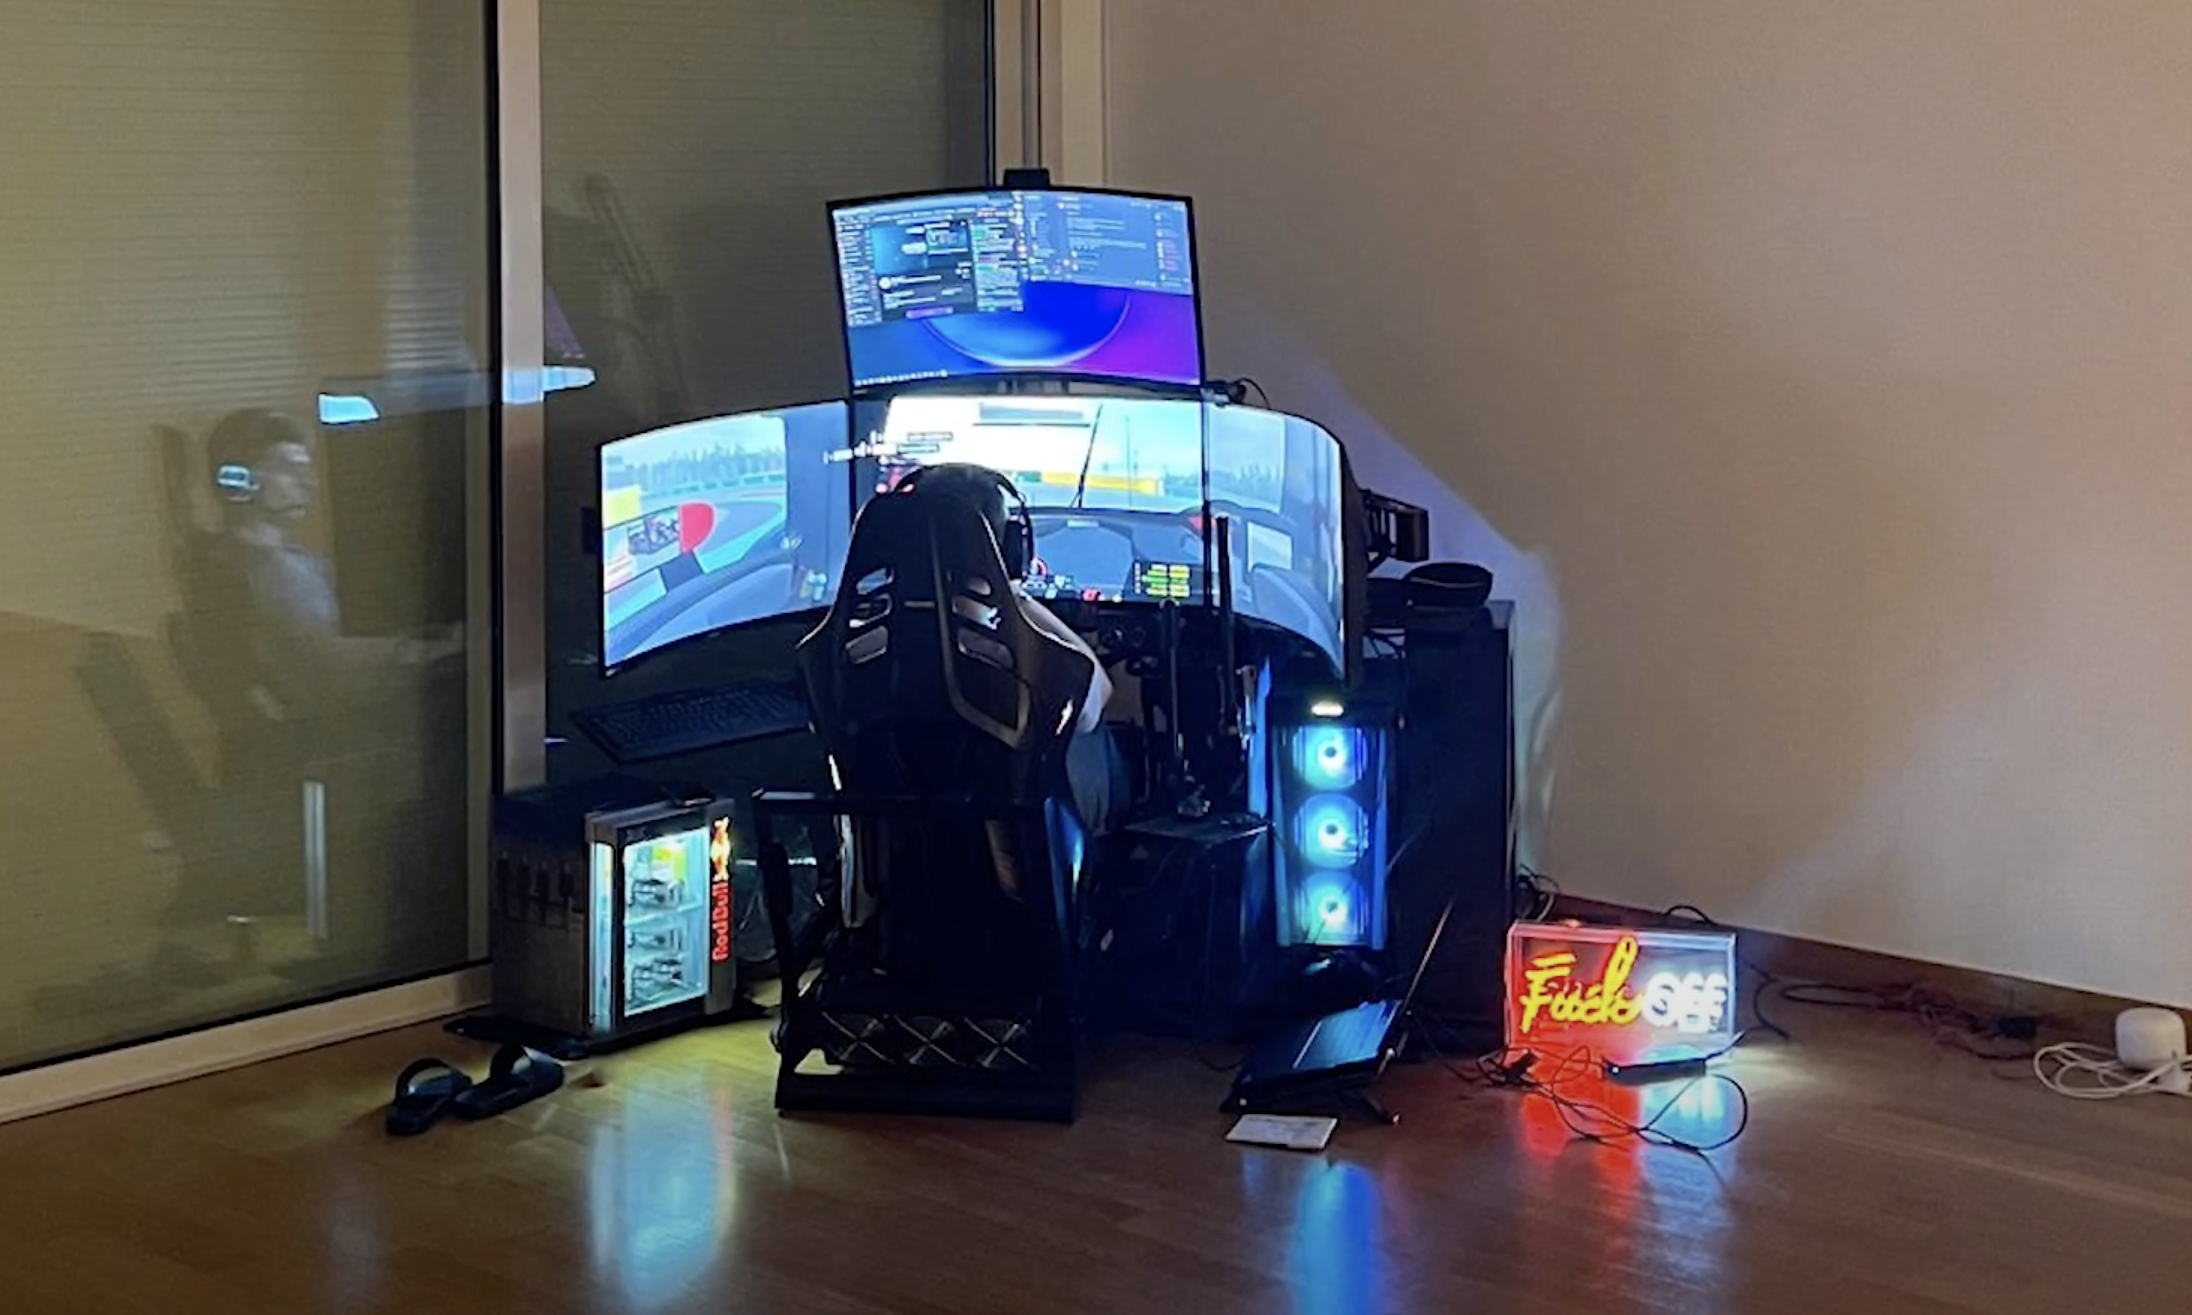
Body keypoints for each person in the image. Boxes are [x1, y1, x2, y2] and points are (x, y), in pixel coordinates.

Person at [896, 464, 1124, 889]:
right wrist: (1013, 594)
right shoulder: (1016, 655)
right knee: (1090, 741)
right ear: (1005, 550)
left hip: (893, 886)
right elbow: (1095, 699)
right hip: (1010, 893)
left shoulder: (858, 644)